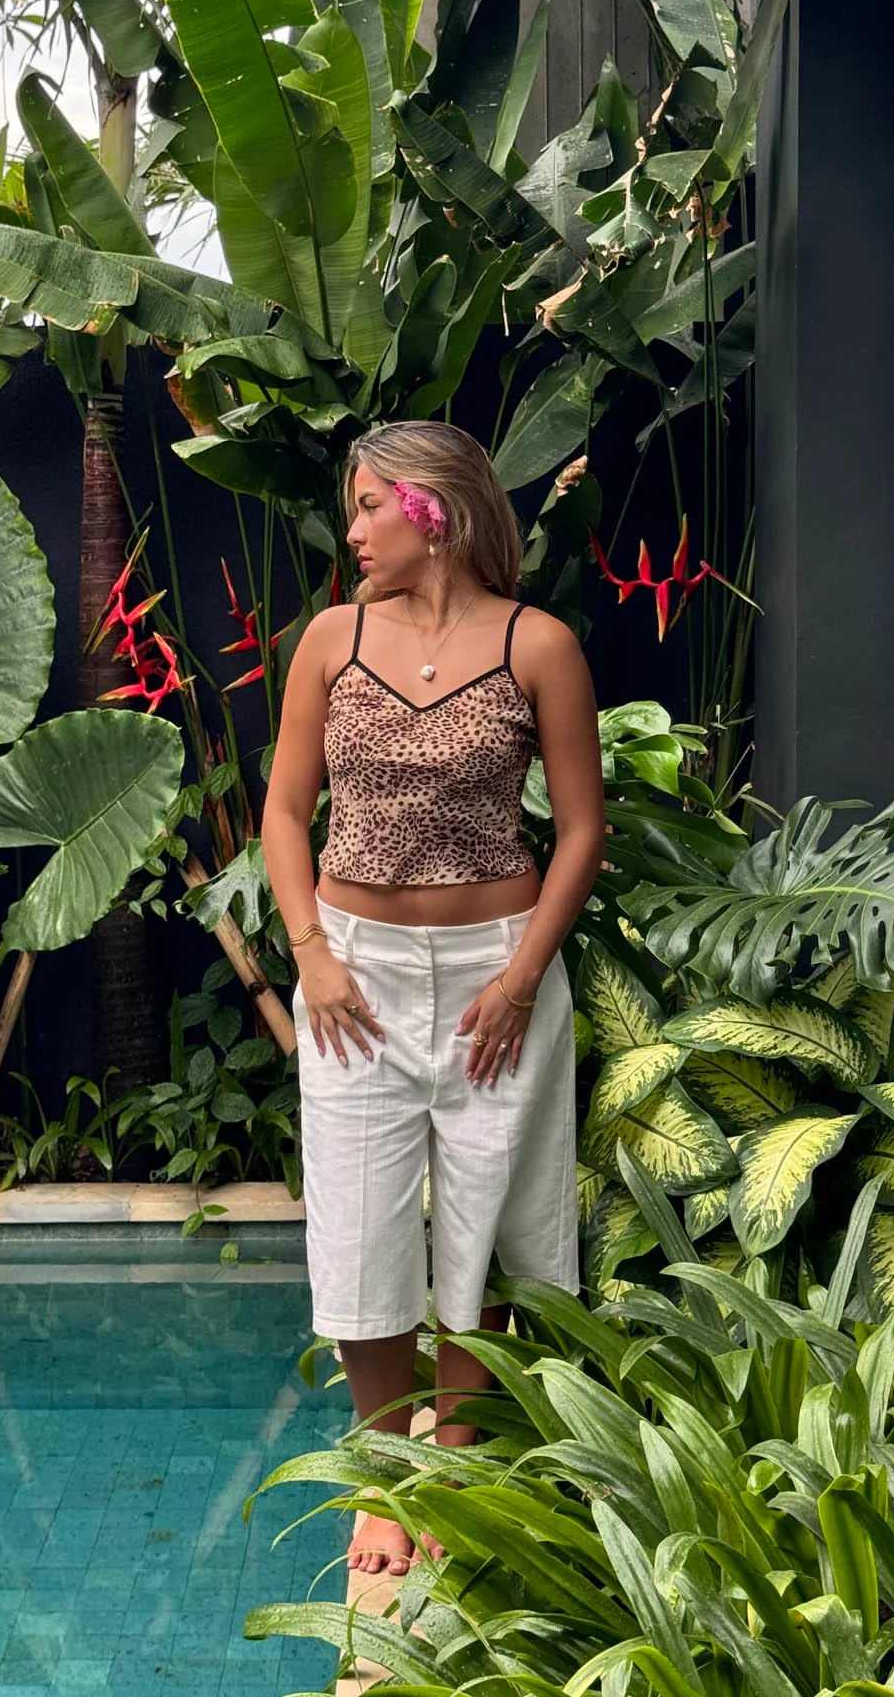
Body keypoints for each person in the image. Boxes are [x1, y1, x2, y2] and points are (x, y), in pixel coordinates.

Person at [261, 420, 606, 1577]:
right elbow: (284, 814)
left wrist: (519, 982)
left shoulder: (538, 645)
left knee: (483, 1221)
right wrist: (311, 953)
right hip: (351, 978)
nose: (354, 532)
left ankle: (453, 1470)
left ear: (434, 511)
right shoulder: (332, 641)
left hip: (495, 979)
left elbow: (582, 831)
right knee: (361, 1227)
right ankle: (384, 1476)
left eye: (369, 507)